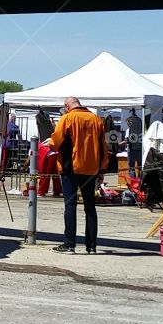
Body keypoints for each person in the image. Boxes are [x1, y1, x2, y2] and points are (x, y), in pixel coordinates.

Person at [48, 97, 109, 254]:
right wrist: (102, 169)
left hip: (71, 168)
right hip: (91, 169)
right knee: (90, 207)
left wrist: (51, 140)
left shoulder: (67, 118)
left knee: (70, 205)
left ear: (67, 106)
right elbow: (103, 146)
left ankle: (69, 244)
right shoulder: (96, 120)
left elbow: (55, 143)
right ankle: (92, 246)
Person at [126, 108, 143, 179]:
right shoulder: (140, 122)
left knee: (131, 167)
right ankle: (140, 181)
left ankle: (133, 182)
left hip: (132, 148)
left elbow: (127, 139)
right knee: (140, 166)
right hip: (140, 147)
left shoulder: (129, 130)